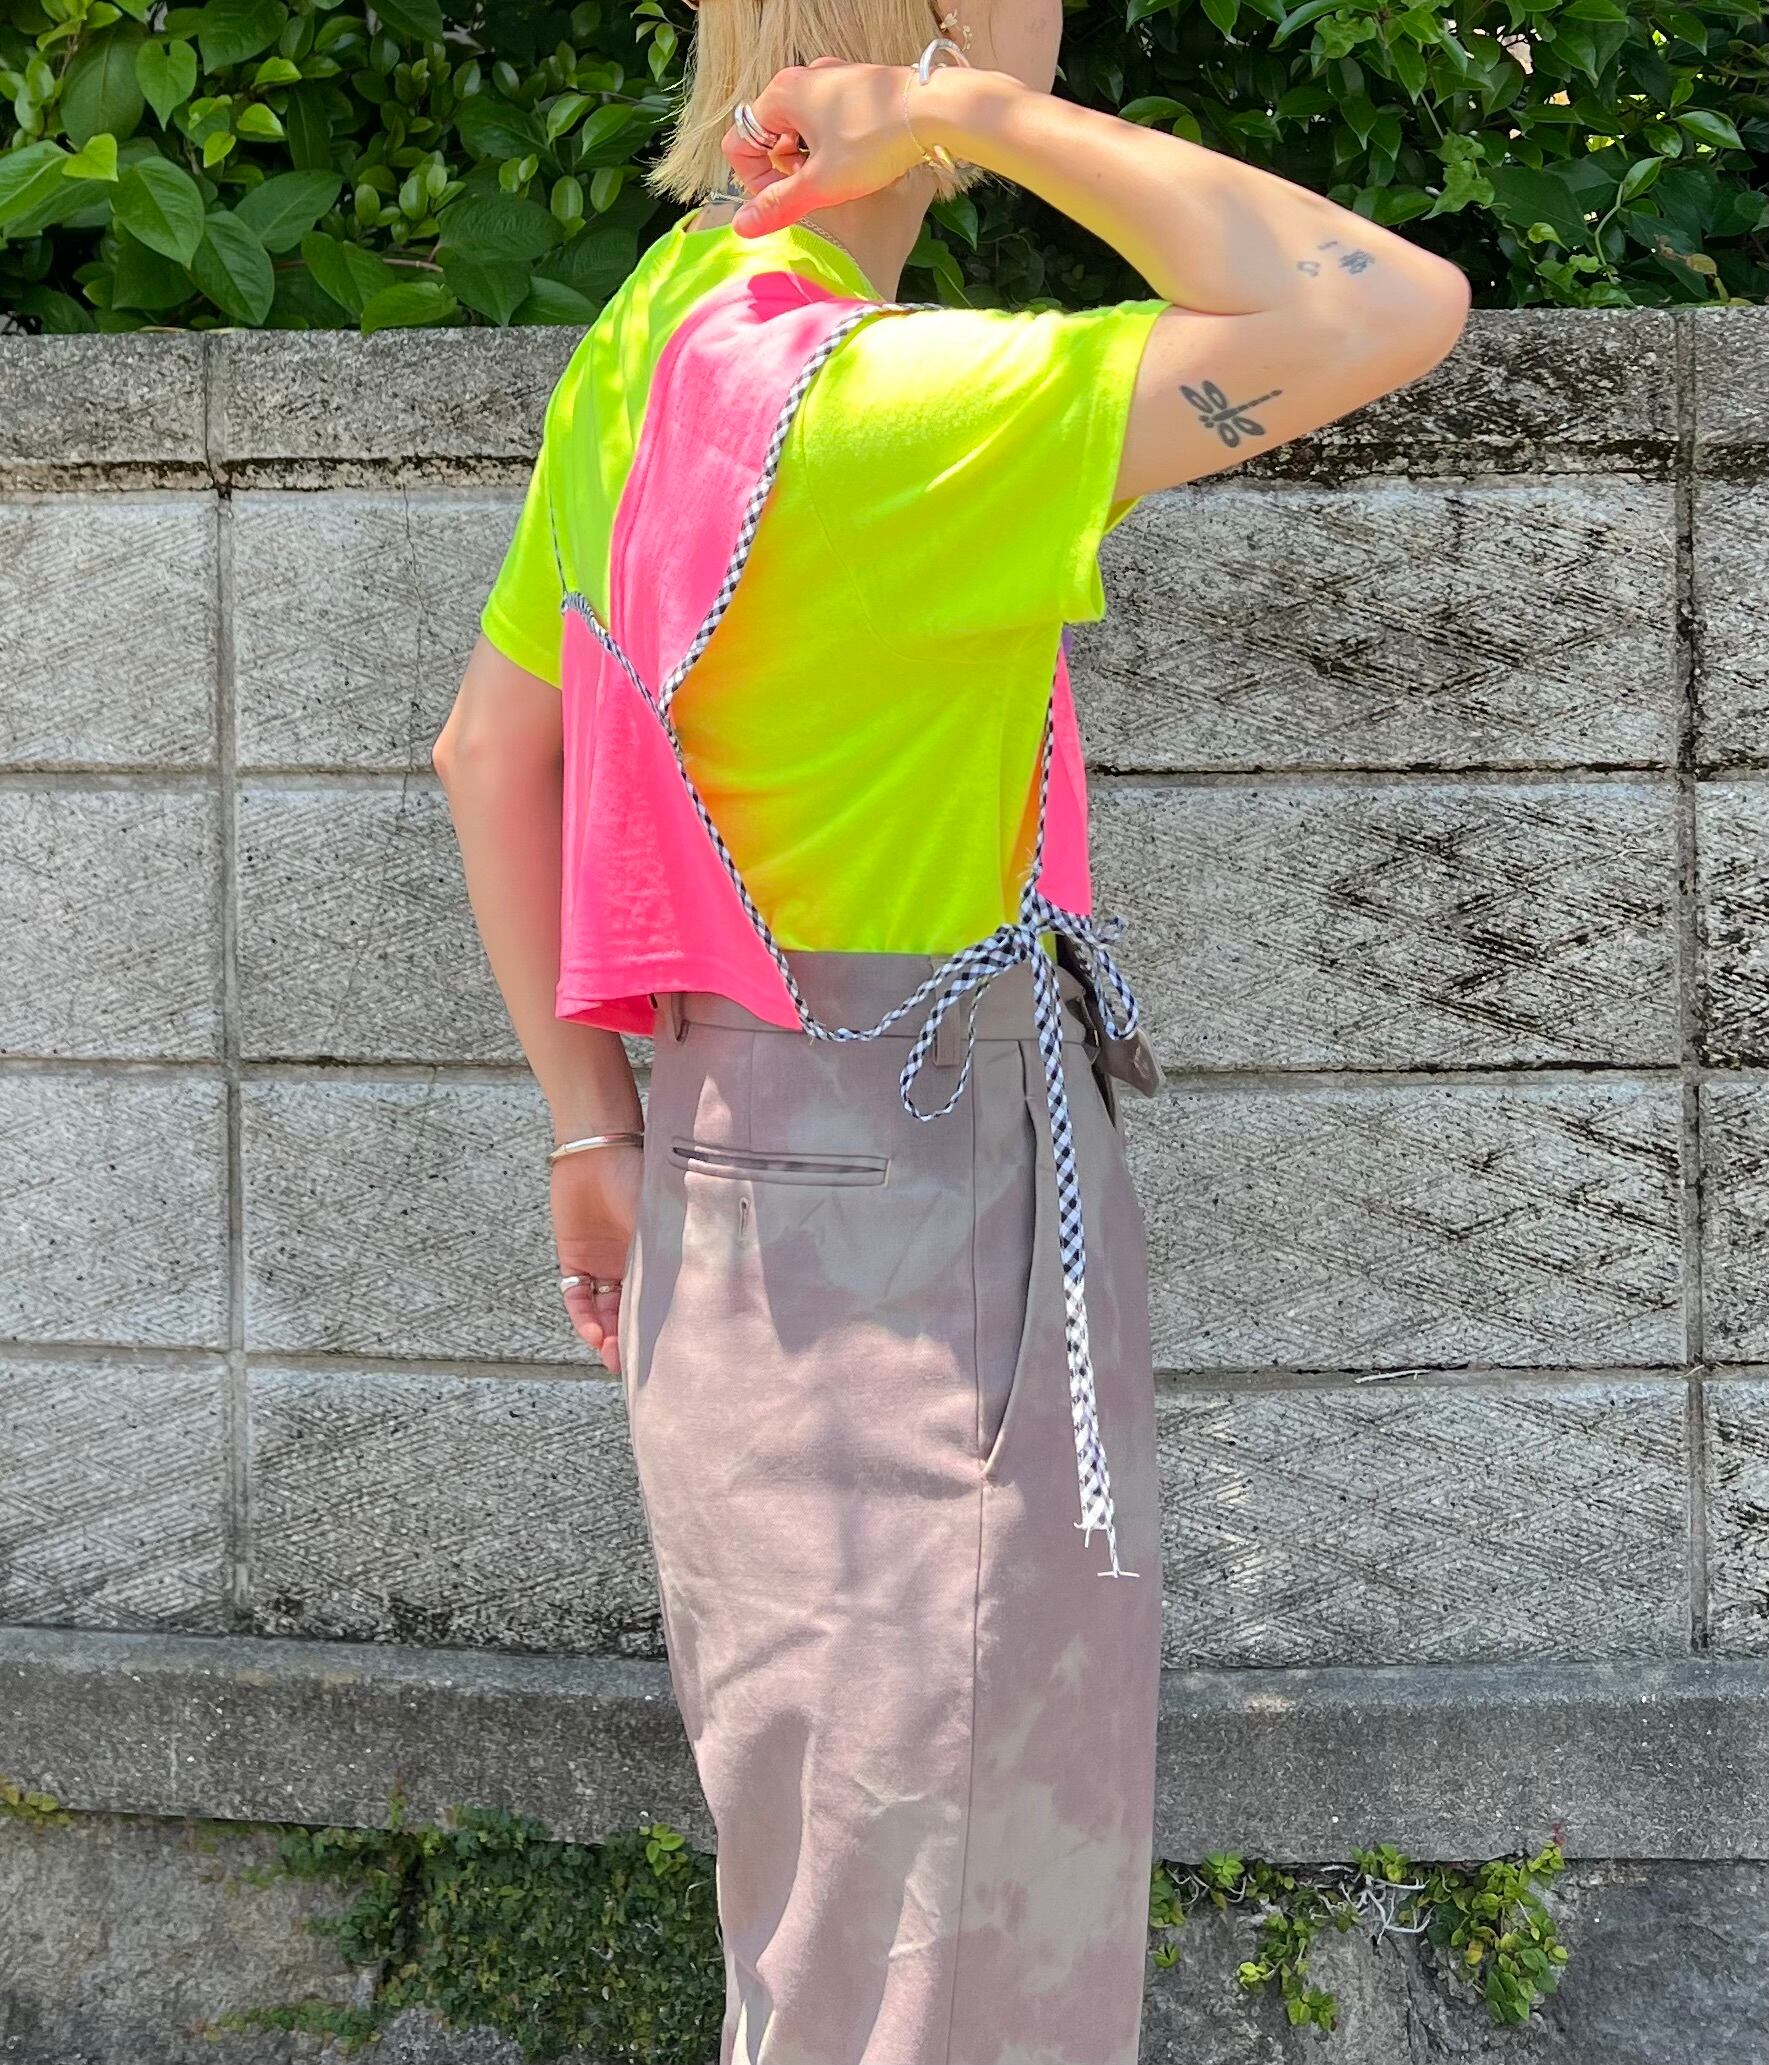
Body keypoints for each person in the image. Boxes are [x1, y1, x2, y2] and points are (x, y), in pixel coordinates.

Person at [432, 2, 1470, 2058]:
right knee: (954, 1924)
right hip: (923, 1205)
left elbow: (489, 748)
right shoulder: (889, 405)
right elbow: (1385, 302)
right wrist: (978, 115)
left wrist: (591, 1132)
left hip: (726, 1172)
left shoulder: (663, 338)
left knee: (831, 1895)